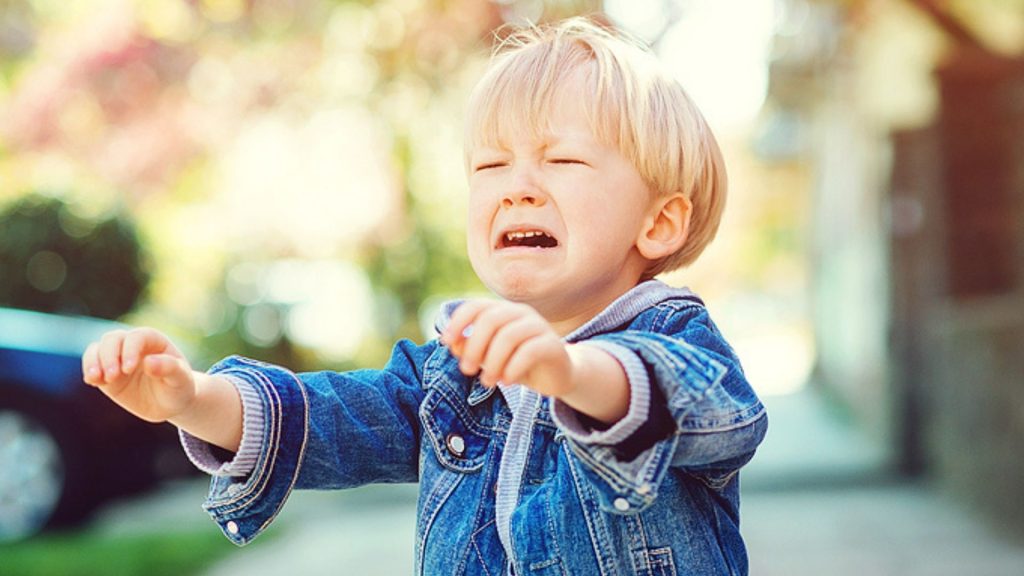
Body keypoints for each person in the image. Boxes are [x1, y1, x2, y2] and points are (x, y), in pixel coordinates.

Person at [82, 17, 767, 575]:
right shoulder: (454, 372)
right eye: (491, 165)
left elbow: (715, 412)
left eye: (561, 159)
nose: (516, 186)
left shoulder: (677, 341)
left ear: (658, 222)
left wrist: (572, 373)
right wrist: (191, 398)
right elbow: (333, 421)